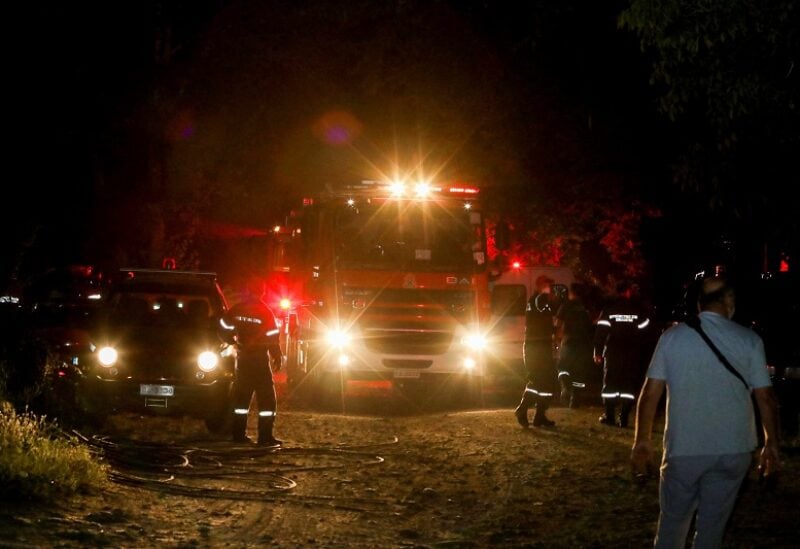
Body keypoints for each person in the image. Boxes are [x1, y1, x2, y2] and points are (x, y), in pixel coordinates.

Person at [631, 275, 780, 548]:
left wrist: (642, 440)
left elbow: (650, 393)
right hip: (734, 449)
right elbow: (766, 398)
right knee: (712, 530)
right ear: (729, 300)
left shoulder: (672, 338)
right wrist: (771, 444)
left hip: (685, 449)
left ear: (699, 305)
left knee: (672, 525)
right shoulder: (749, 340)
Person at [228, 280, 284, 445]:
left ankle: (238, 436)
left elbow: (223, 324)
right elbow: (272, 336)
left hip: (243, 359)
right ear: (262, 292)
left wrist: (230, 339)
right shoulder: (264, 311)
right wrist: (277, 356)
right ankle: (265, 437)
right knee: (267, 399)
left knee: (241, 400)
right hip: (259, 360)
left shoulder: (237, 309)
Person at [593, 281, 652, 427]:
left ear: (617, 292)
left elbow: (601, 332)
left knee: (610, 383)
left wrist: (598, 352)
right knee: (629, 384)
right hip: (632, 352)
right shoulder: (636, 309)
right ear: (627, 292)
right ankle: (624, 418)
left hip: (613, 351)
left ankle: (609, 416)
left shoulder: (609, 309)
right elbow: (645, 327)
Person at [514, 275, 560, 427]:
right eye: (548, 286)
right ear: (541, 286)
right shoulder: (537, 300)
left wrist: (555, 330)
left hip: (542, 346)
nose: (551, 289)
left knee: (547, 383)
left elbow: (543, 322)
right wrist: (548, 295)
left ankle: (540, 416)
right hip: (535, 348)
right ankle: (522, 409)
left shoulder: (541, 303)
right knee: (537, 381)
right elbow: (543, 304)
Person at [553, 282, 595, 408]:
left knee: (562, 366)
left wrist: (556, 338)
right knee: (579, 373)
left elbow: (558, 323)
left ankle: (566, 387)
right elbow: (593, 322)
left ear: (571, 292)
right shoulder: (586, 306)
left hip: (569, 341)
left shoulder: (566, 305)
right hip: (584, 344)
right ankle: (575, 400)